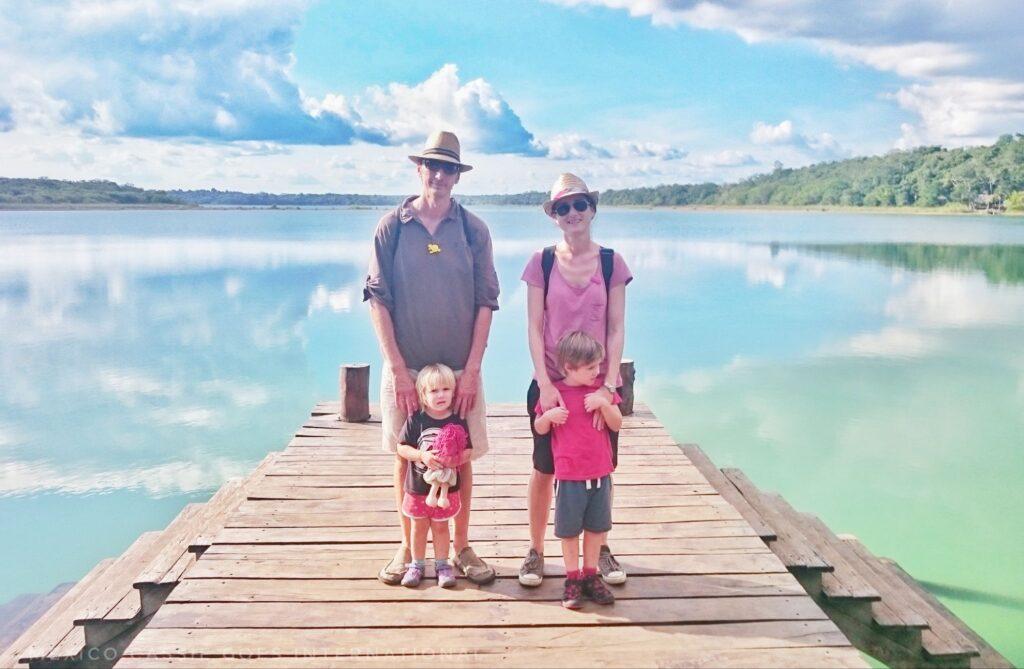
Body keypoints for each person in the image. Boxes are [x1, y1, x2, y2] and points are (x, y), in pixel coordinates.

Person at [364, 130, 500, 586]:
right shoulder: (391, 226)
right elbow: (377, 299)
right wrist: (399, 370)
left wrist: (474, 371)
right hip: (408, 367)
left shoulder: (473, 229)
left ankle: (460, 546)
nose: (439, 175)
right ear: (418, 168)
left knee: (460, 456)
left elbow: (486, 301)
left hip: (460, 368)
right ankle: (408, 547)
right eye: (432, 166)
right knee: (405, 457)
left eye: (448, 168)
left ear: (457, 176)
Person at [519, 173, 632, 587]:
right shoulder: (542, 261)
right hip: (552, 384)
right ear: (554, 216)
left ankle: (599, 550)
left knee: (601, 466)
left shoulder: (611, 262)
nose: (572, 214)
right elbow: (534, 327)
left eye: (579, 205)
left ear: (592, 209)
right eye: (563, 208)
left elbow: (616, 327)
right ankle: (535, 550)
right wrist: (546, 384)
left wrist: (607, 386)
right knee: (545, 467)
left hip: (599, 387)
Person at [533, 331, 622, 608]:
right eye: (591, 368)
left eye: (598, 366)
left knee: (596, 529)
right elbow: (539, 428)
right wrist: (547, 417)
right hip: (570, 477)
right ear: (569, 368)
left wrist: (604, 404)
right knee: (569, 531)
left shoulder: (600, 394)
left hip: (599, 474)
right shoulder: (556, 394)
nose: (598, 373)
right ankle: (572, 578)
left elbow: (617, 424)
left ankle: (590, 575)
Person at [396, 364, 473, 588]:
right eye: (434, 391)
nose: (441, 395)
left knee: (441, 527)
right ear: (423, 394)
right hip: (418, 488)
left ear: (454, 391)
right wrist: (421, 455)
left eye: (446, 389)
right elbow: (401, 448)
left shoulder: (458, 420)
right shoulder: (415, 420)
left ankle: (442, 565)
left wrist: (455, 459)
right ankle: (417, 565)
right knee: (418, 527)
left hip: (447, 491)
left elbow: (469, 450)